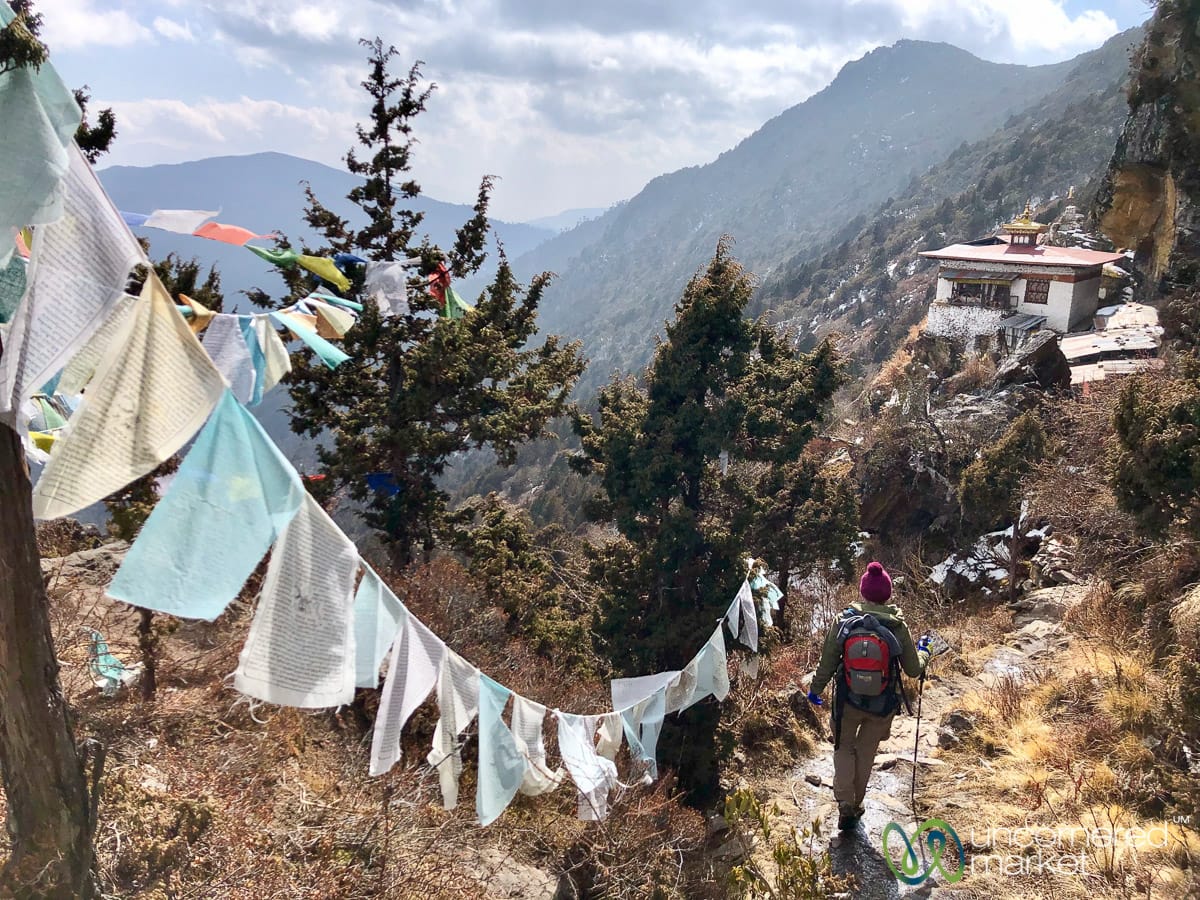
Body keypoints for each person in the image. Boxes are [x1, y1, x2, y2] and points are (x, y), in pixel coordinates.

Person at [806, 561, 930, 831]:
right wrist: (925, 652)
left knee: (843, 747)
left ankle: (844, 804)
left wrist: (815, 690)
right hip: (881, 703)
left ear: (862, 592)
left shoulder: (846, 622)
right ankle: (857, 803)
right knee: (865, 752)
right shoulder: (897, 626)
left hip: (846, 699)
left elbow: (827, 662)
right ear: (888, 595)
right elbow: (912, 669)